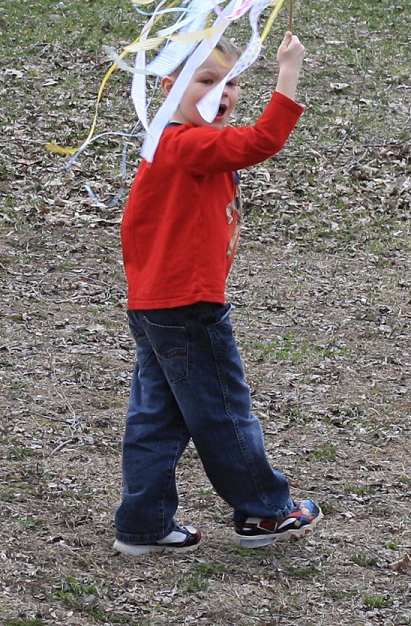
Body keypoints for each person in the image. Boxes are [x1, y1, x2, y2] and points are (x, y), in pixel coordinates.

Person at [113, 31, 323, 556]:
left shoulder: (170, 143)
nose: (222, 92)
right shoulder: (186, 144)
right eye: (207, 80)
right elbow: (261, 142)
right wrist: (289, 72)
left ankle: (144, 524)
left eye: (230, 82)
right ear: (169, 86)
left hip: (156, 306)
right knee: (223, 412)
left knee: (157, 417)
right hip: (187, 308)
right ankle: (265, 512)